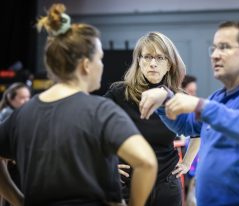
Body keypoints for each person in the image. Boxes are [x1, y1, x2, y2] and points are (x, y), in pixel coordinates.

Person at [0, 4, 157, 206]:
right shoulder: (100, 111)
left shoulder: (22, 115)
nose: (101, 65)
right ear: (85, 65)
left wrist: (18, 200)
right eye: (100, 58)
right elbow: (146, 162)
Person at [139, 21, 239, 206]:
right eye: (214, 48)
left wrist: (202, 106)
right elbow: (187, 125)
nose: (215, 55)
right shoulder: (219, 97)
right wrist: (165, 100)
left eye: (224, 47)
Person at [105, 31, 200, 206]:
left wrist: (187, 163)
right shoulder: (119, 93)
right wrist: (105, 164)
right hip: (127, 186)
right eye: (147, 57)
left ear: (170, 64)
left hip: (166, 186)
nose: (153, 64)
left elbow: (198, 131)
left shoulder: (178, 97)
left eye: (160, 58)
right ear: (139, 61)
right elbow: (93, 128)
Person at [0, 82, 31, 206]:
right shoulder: (9, 115)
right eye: (22, 98)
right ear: (10, 98)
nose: (26, 101)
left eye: (28, 97)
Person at [181, 75, 199, 206]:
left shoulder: (196, 109)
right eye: (190, 91)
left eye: (195, 92)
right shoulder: (170, 110)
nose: (193, 95)